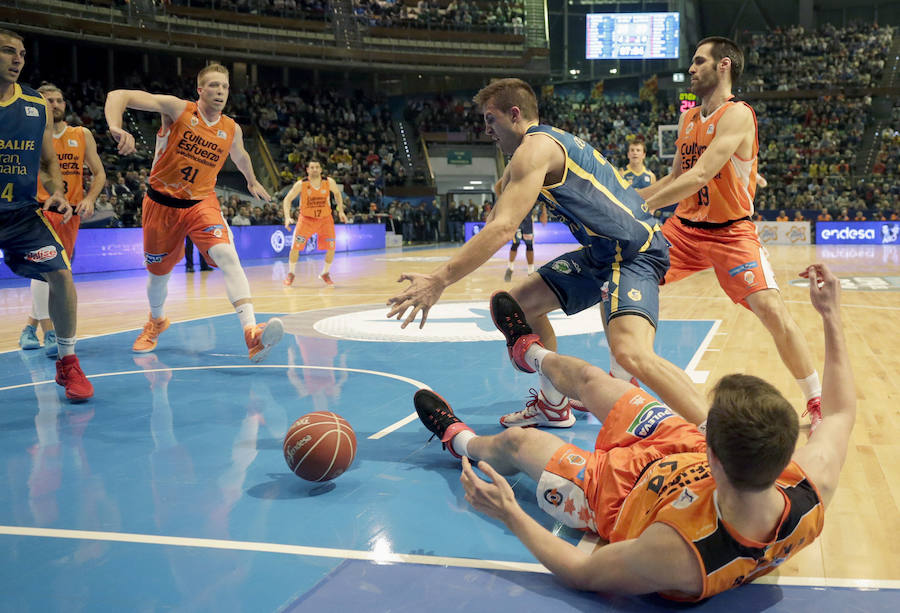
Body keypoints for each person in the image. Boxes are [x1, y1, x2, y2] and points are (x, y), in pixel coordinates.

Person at [416, 264, 853, 601]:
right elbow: (838, 413)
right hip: (676, 451)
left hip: (614, 497)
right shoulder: (808, 488)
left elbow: (583, 574)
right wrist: (831, 316)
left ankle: (460, 441)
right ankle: (528, 352)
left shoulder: (680, 554)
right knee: (593, 380)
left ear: (714, 455)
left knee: (518, 443)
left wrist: (509, 511)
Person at [388, 78, 707, 428]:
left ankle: (717, 435)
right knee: (519, 305)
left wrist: (439, 280)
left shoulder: (536, 149)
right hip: (602, 251)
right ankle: (553, 404)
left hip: (636, 251)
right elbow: (497, 215)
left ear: (514, 114)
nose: (486, 130)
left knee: (633, 354)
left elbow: (502, 228)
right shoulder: (530, 150)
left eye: (490, 120)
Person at [639, 37, 824, 429]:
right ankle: (621, 378)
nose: (690, 69)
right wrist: (620, 197)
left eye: (698, 61)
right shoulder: (689, 118)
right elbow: (674, 178)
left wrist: (646, 206)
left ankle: (815, 400)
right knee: (626, 284)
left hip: (730, 233)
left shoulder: (738, 114)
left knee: (772, 310)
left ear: (723, 65)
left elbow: (701, 174)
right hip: (684, 231)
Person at [104, 63, 284, 362]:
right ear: (200, 89)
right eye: (214, 86)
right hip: (161, 204)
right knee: (158, 276)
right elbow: (118, 94)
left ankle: (251, 333)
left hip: (202, 203)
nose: (220, 92)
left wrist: (251, 180)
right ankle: (157, 321)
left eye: (225, 87)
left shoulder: (231, 128)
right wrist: (115, 127)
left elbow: (240, 154)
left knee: (228, 256)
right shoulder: (177, 110)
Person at [0, 29, 93, 401]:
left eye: (21, 53)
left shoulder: (35, 105)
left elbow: (48, 160)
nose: (17, 59)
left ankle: (68, 362)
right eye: (8, 51)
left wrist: (56, 191)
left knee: (61, 273)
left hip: (22, 214)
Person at [19, 83, 106, 358]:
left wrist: (90, 198)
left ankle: (29, 328)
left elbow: (99, 173)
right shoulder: (27, 133)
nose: (55, 104)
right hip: (37, 209)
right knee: (45, 267)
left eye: (59, 100)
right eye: (48, 100)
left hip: (69, 214)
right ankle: (50, 332)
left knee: (56, 273)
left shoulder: (82, 134)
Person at [281, 159, 347, 287]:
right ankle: (291, 273)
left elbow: (338, 194)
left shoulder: (329, 182)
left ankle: (325, 273)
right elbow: (287, 199)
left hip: (325, 219)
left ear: (321, 169)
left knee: (331, 248)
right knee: (295, 247)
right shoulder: (302, 184)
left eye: (317, 167)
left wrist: (341, 211)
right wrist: (287, 217)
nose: (315, 169)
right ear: (307, 170)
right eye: (312, 167)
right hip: (306, 219)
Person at [504, 195, 546, 283]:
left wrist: (544, 212)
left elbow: (542, 200)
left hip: (527, 223)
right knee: (515, 244)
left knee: (529, 246)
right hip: (516, 221)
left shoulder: (533, 189)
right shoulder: (513, 189)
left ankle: (530, 271)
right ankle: (510, 268)